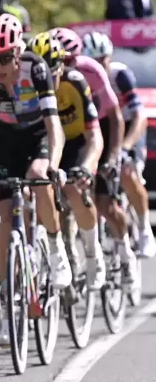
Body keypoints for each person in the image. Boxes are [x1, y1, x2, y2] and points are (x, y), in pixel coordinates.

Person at [0, 14, 72, 348]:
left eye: (3, 58)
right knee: (3, 211)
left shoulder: (36, 68)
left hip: (37, 134)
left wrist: (54, 164)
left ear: (17, 52)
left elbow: (54, 123)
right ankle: (4, 297)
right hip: (5, 138)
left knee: (38, 176)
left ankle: (55, 248)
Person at [51, 27, 139, 289]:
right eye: (58, 62)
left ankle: (125, 251)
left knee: (105, 205)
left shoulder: (90, 71)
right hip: (62, 136)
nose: (64, 67)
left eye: (69, 61)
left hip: (96, 130)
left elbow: (114, 117)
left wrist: (113, 156)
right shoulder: (42, 76)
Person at [28, 32, 107, 290]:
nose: (45, 82)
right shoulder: (25, 87)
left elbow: (94, 134)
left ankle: (94, 253)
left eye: (51, 74)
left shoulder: (75, 82)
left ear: (61, 66)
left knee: (74, 190)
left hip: (74, 145)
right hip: (43, 144)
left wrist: (88, 165)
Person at [82, 30, 156, 258]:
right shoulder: (84, 79)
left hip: (129, 128)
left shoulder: (120, 75)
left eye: (103, 59)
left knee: (126, 170)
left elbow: (139, 117)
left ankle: (144, 230)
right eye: (94, 61)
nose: (99, 64)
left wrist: (125, 148)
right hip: (104, 130)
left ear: (110, 57)